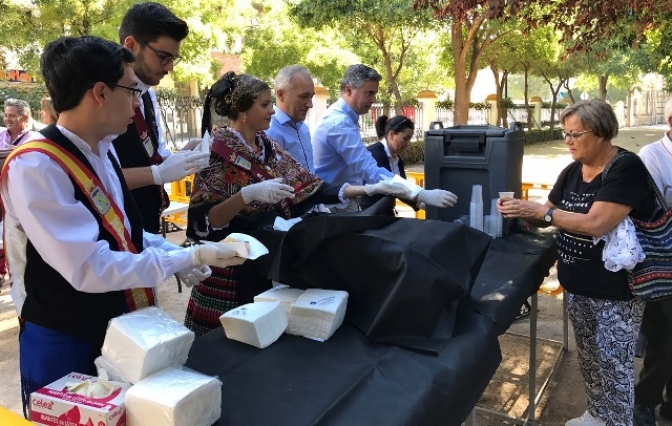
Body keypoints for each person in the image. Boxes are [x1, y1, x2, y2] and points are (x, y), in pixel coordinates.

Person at [0, 35, 245, 416]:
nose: (137, 103)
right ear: (100, 92)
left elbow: (126, 234)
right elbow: (89, 267)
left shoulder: (103, 148)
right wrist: (187, 256)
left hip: (120, 329)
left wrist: (173, 252)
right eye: (132, 91)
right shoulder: (36, 165)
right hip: (67, 336)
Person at [184, 71, 420, 337]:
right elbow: (206, 221)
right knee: (227, 347)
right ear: (242, 110)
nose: (272, 111)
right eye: (264, 105)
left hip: (267, 263)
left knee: (266, 338)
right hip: (229, 273)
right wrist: (246, 196)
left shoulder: (269, 148)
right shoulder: (216, 153)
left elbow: (312, 187)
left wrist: (367, 188)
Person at [498, 99, 659, 426]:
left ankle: (617, 422)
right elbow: (548, 212)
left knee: (615, 364)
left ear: (600, 133)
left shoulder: (625, 169)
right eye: (565, 133)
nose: (568, 140)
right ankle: (597, 414)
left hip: (617, 293)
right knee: (589, 356)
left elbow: (596, 223)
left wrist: (542, 212)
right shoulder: (572, 170)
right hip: (577, 285)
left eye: (575, 133)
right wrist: (521, 211)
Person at [113, 2, 209, 234]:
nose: (169, 68)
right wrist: (155, 174)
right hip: (115, 227)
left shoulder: (149, 95)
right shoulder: (104, 100)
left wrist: (187, 154)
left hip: (146, 222)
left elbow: (155, 155)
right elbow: (95, 178)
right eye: (163, 57)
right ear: (132, 45)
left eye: (173, 59)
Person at [312, 64, 455, 212]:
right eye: (369, 93)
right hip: (332, 205)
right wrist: (421, 193)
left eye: (375, 93)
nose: (373, 99)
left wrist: (417, 199)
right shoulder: (340, 124)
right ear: (349, 90)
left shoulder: (345, 118)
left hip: (342, 200)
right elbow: (372, 172)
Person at [632, 97, 672, 426]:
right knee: (664, 334)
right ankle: (644, 401)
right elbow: (652, 215)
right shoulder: (652, 157)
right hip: (661, 263)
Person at [361, 114, 415, 216]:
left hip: (387, 214)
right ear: (391, 135)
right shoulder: (374, 154)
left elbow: (403, 190)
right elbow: (393, 186)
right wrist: (422, 195)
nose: (408, 144)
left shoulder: (397, 160)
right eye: (405, 138)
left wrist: (420, 203)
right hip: (370, 215)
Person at [266, 64, 315, 172]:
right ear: (281, 95)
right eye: (303, 96)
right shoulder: (269, 132)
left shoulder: (303, 128)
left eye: (311, 96)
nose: (310, 104)